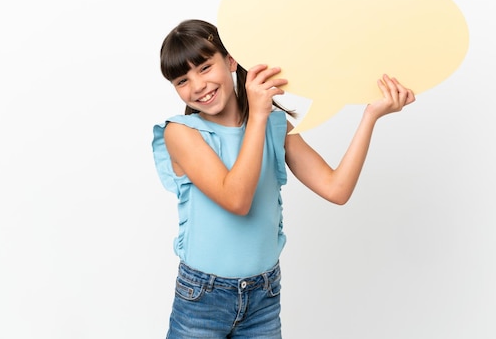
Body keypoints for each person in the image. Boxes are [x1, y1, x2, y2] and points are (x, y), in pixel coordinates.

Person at [152, 19, 415, 338]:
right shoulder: (181, 133)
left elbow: (336, 189)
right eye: (182, 80)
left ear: (231, 60)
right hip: (202, 299)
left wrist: (371, 115)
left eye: (205, 67)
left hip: (263, 296)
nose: (197, 86)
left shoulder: (275, 126)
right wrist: (258, 116)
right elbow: (237, 199)